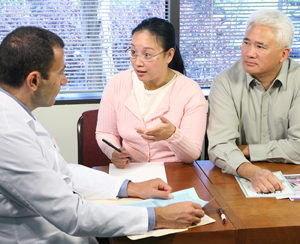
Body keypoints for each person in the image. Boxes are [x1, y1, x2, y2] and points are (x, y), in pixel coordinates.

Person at [0, 26, 205, 244]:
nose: (65, 80)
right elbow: (72, 214)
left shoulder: (16, 115)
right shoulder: (8, 132)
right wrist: (159, 217)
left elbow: (64, 173)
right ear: (33, 81)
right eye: (60, 72)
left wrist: (131, 187)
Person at [207, 9, 300, 194]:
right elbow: (219, 147)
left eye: (260, 47)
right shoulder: (225, 82)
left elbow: (298, 146)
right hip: (240, 178)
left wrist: (248, 150)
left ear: (283, 54)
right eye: (246, 43)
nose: (249, 53)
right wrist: (252, 171)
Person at [96, 17, 207, 169]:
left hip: (175, 174)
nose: (137, 62)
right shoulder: (117, 84)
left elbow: (192, 155)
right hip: (130, 172)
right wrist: (114, 152)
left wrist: (173, 135)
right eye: (133, 52)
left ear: (169, 55)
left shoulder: (190, 91)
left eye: (147, 55)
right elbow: (105, 132)